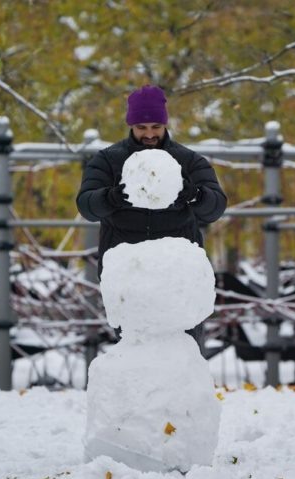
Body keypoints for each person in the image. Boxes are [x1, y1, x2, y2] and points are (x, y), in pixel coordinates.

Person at [76, 84, 227, 346]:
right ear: (131, 126)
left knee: (184, 349)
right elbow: (87, 206)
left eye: (155, 127)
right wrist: (110, 197)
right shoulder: (108, 161)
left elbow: (216, 206)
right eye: (141, 128)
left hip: (178, 273)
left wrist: (194, 194)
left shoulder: (188, 161)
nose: (149, 134)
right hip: (128, 272)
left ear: (165, 124)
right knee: (135, 348)